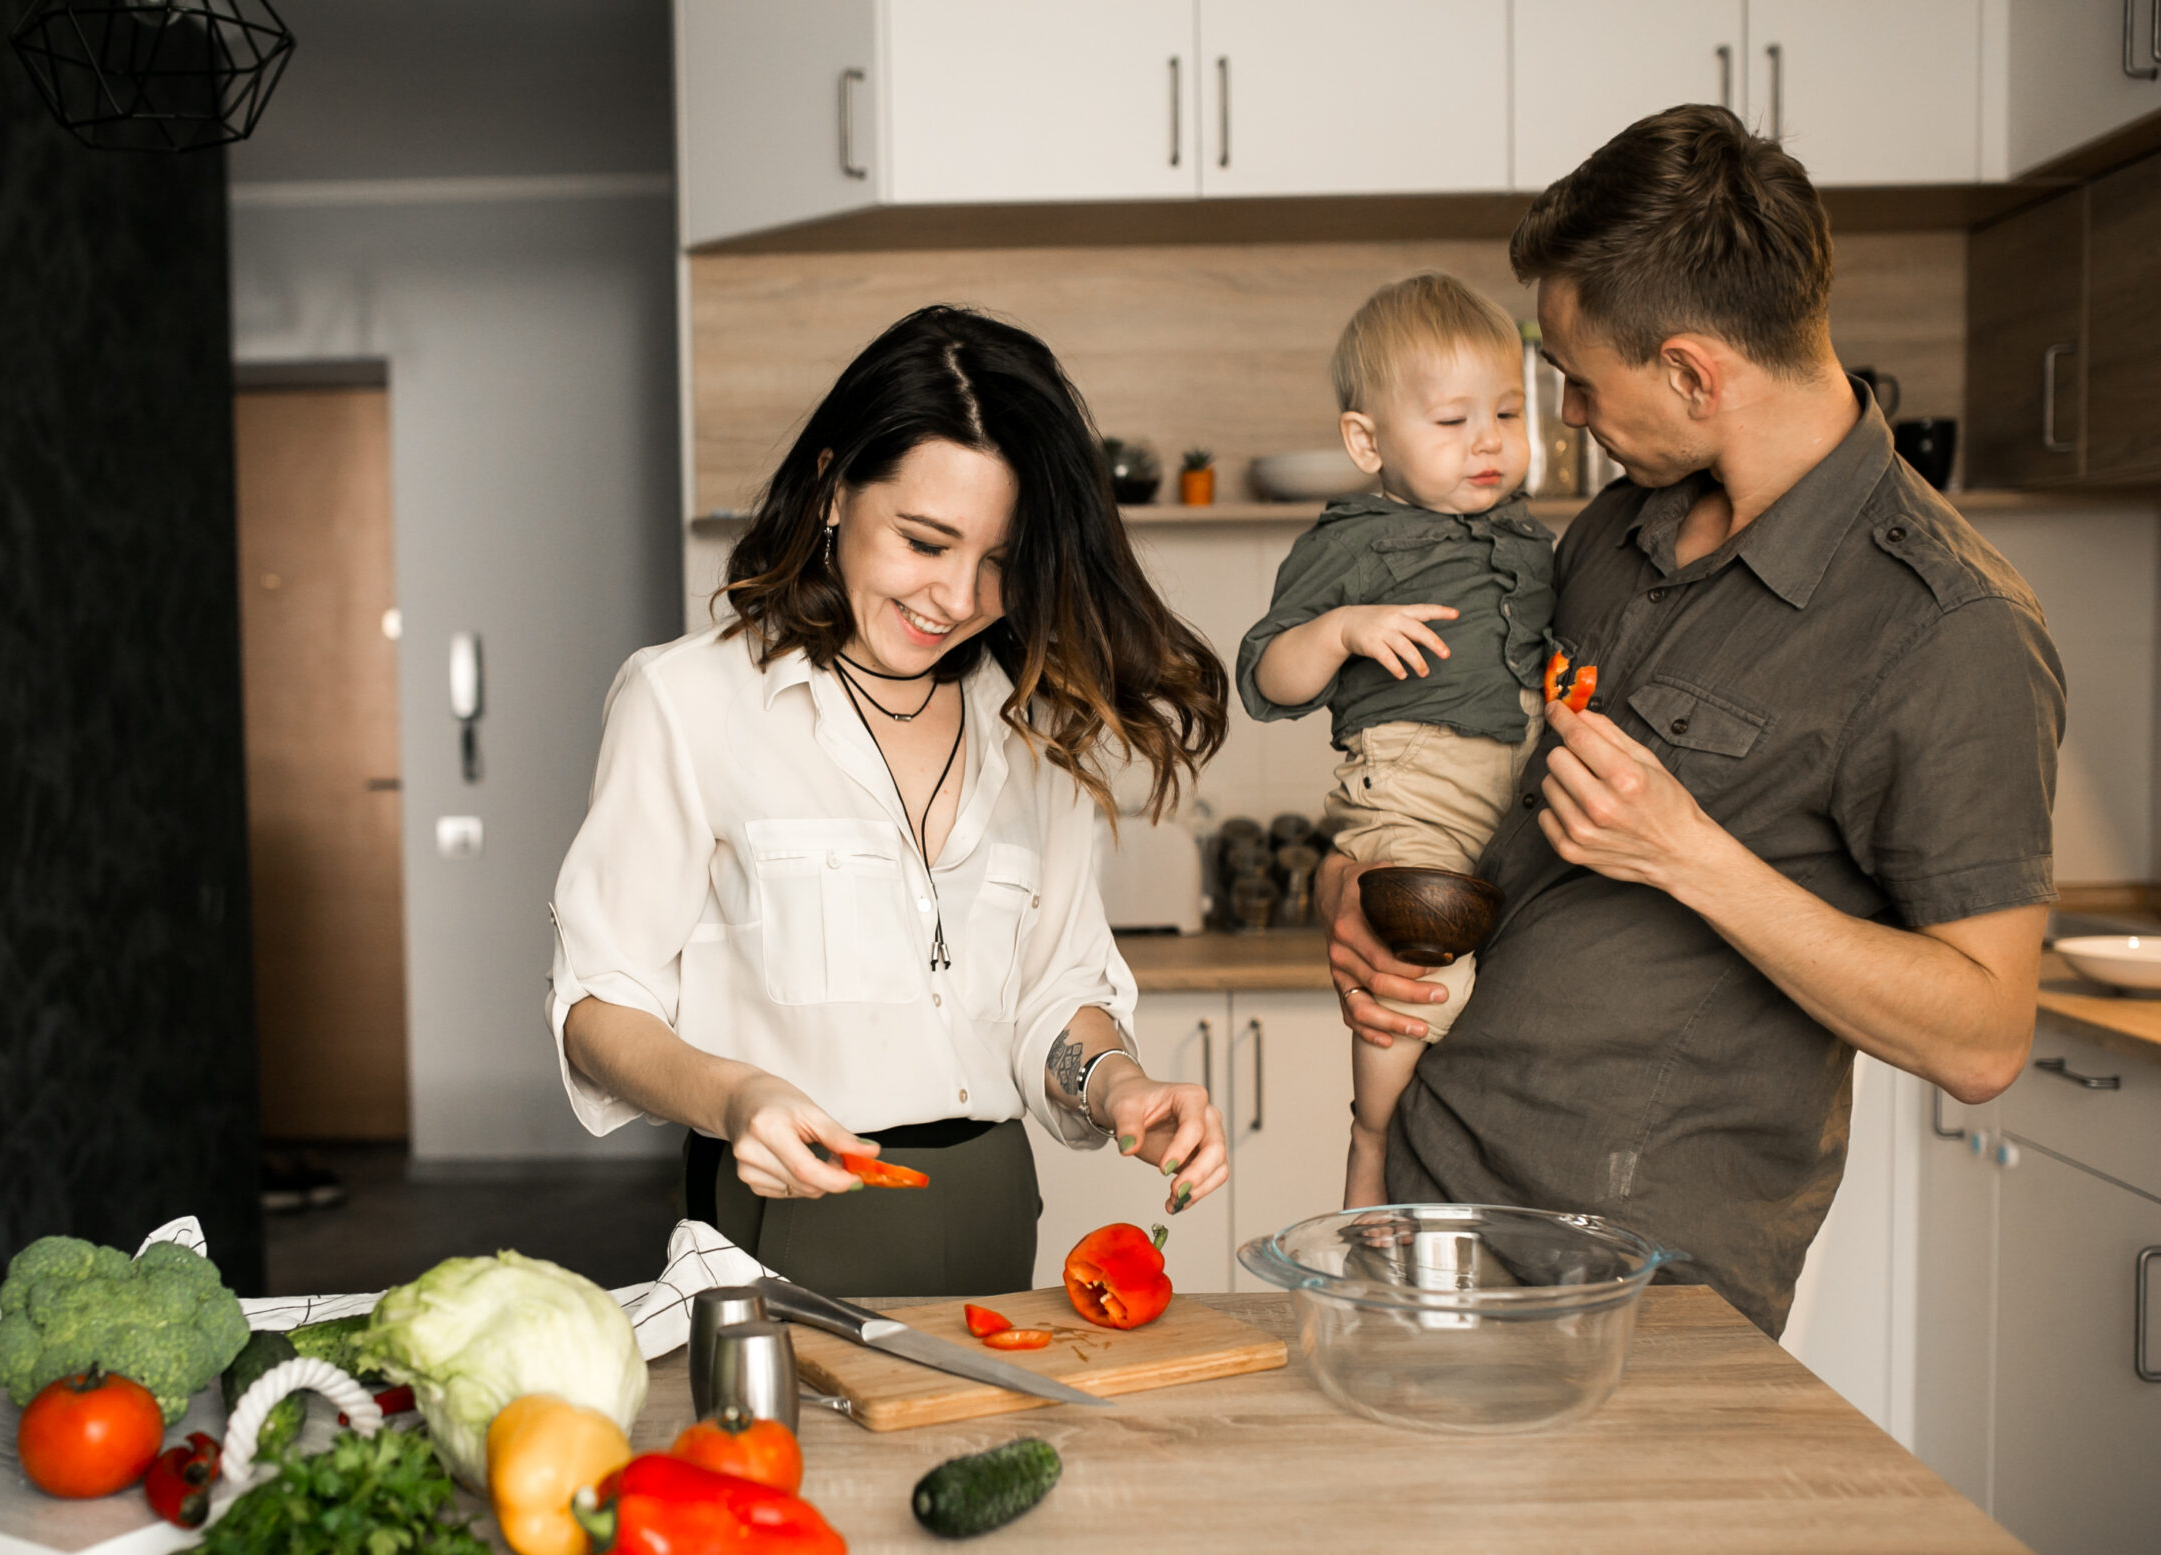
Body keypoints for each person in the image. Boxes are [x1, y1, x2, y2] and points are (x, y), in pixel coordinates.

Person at [1317, 104, 2064, 1336]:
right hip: (1427, 1186)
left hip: (1628, 1273)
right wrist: (1350, 885)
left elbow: (1983, 1034)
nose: (1561, 415)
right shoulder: (1616, 530)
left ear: (1690, 373)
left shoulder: (1951, 627)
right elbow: (1479, 788)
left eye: (1574, 379)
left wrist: (1690, 856)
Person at [547, 306, 1233, 1297]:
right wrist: (737, 1095)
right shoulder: (687, 701)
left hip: (998, 1217)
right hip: (781, 1220)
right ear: (832, 488)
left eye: (1000, 560)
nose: (956, 597)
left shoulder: (1040, 728)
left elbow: (1052, 995)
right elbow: (599, 1007)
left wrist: (1121, 1083)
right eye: (924, 541)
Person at [1234, 273, 1555, 1211]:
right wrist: (1340, 632)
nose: (1488, 440)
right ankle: (1372, 1142)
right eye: (1453, 421)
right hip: (1415, 781)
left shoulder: (1536, 543)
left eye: (1505, 411)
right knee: (1416, 967)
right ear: (1367, 442)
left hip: (1524, 782)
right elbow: (1265, 675)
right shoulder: (1353, 541)